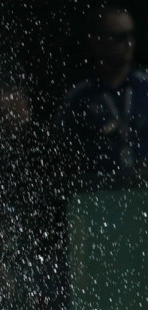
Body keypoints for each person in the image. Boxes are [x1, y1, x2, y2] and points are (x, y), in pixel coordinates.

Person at [55, 5, 148, 192]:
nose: (128, 43)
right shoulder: (79, 98)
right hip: (97, 197)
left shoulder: (145, 88)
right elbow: (62, 157)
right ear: (96, 41)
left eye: (131, 35)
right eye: (119, 37)